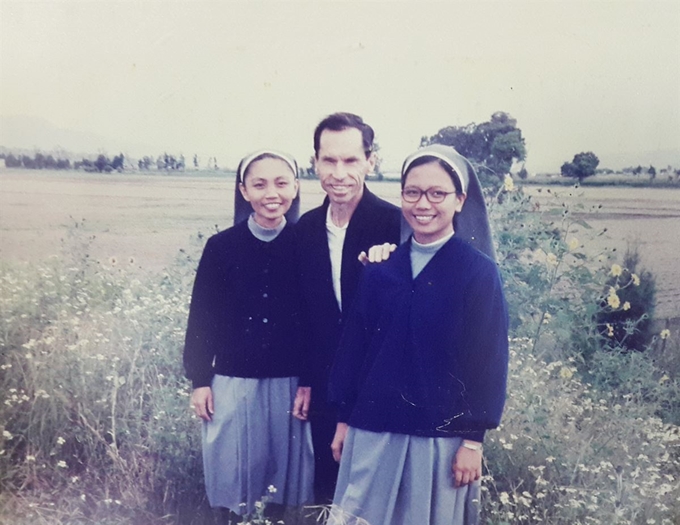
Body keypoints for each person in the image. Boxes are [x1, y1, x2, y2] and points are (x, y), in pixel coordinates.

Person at [327, 144, 509, 525]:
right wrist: (344, 419)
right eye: (412, 192)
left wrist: (473, 441)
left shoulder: (477, 273)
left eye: (437, 193)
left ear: (460, 200)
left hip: (440, 439)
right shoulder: (379, 269)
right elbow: (355, 351)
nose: (423, 204)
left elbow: (487, 362)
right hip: (371, 430)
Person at [183, 150, 314, 523]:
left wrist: (309, 380)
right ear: (244, 191)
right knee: (234, 477)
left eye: (281, 182)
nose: (271, 193)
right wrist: (199, 380)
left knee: (283, 484)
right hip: (232, 381)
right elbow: (202, 318)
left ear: (296, 187)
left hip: (290, 384)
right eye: (259, 184)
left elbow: (315, 321)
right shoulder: (222, 247)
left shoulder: (308, 244)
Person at [292, 112, 403, 502]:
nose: (339, 172)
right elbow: (307, 315)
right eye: (329, 160)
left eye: (351, 160)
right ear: (315, 161)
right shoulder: (304, 229)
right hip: (324, 386)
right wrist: (306, 378)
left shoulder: (397, 225)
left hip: (379, 386)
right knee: (327, 491)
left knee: (373, 496)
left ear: (371, 161)